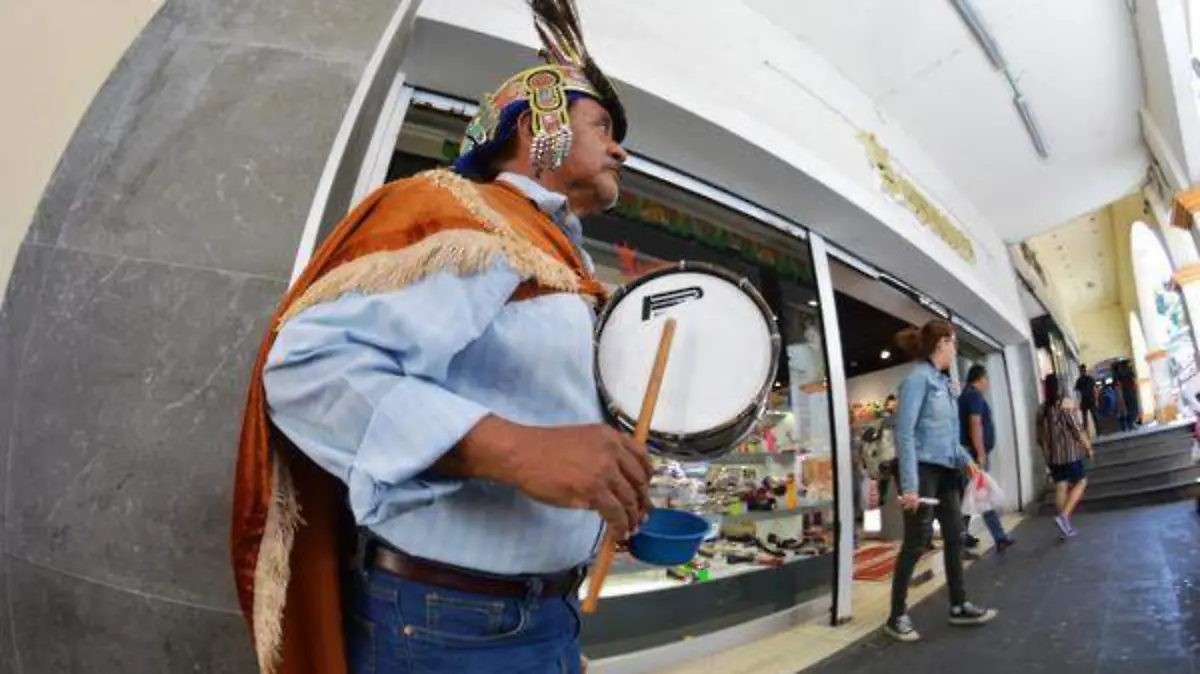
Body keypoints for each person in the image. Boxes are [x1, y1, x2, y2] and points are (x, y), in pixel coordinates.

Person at [230, 3, 646, 673]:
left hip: (544, 618)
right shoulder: (446, 211)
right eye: (602, 125)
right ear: (538, 122)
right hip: (451, 628)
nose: (621, 148)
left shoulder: (568, 263)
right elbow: (308, 372)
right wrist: (513, 449)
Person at [885, 320, 997, 643]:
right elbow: (904, 434)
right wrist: (909, 486)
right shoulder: (917, 380)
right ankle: (896, 616)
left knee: (955, 536)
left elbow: (948, 437)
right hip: (922, 472)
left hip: (948, 470)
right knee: (916, 542)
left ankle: (959, 604)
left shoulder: (944, 383)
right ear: (942, 343)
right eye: (954, 342)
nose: (956, 348)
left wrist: (970, 464)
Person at [957, 365, 1015, 552]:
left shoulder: (966, 395)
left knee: (976, 496)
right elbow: (975, 424)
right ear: (980, 378)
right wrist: (980, 453)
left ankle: (995, 538)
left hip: (970, 454)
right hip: (974, 455)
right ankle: (962, 539)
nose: (988, 383)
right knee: (975, 496)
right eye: (986, 379)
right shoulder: (973, 395)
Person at [1036, 373, 1093, 539]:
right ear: (1059, 387)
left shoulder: (1041, 410)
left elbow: (1039, 437)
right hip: (1069, 455)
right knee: (1081, 481)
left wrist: (1046, 453)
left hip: (1053, 457)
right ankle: (1064, 517)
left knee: (1061, 486)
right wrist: (1088, 447)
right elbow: (1076, 429)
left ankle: (1064, 526)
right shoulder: (1064, 405)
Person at [1074, 364, 1098, 436]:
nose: (1082, 372)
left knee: (1092, 417)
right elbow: (1078, 393)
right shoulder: (1083, 380)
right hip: (1087, 401)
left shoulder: (1085, 379)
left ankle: (1096, 432)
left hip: (1088, 400)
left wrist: (1096, 400)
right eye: (1081, 371)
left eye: (1082, 371)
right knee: (1088, 418)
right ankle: (1090, 434)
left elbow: (1094, 390)